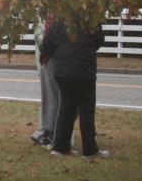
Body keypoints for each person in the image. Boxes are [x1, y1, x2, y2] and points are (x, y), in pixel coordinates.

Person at [41, 19, 110, 158]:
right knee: (86, 109)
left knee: (66, 107)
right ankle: (90, 150)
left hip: (63, 69)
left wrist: (63, 49)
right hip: (84, 68)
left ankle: (60, 148)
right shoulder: (91, 19)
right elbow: (99, 40)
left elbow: (46, 47)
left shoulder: (58, 21)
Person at [31, 14, 59, 147]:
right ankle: (47, 131)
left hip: (55, 61)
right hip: (47, 61)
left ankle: (50, 132)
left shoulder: (55, 18)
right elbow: (40, 40)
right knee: (50, 99)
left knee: (54, 99)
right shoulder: (44, 20)